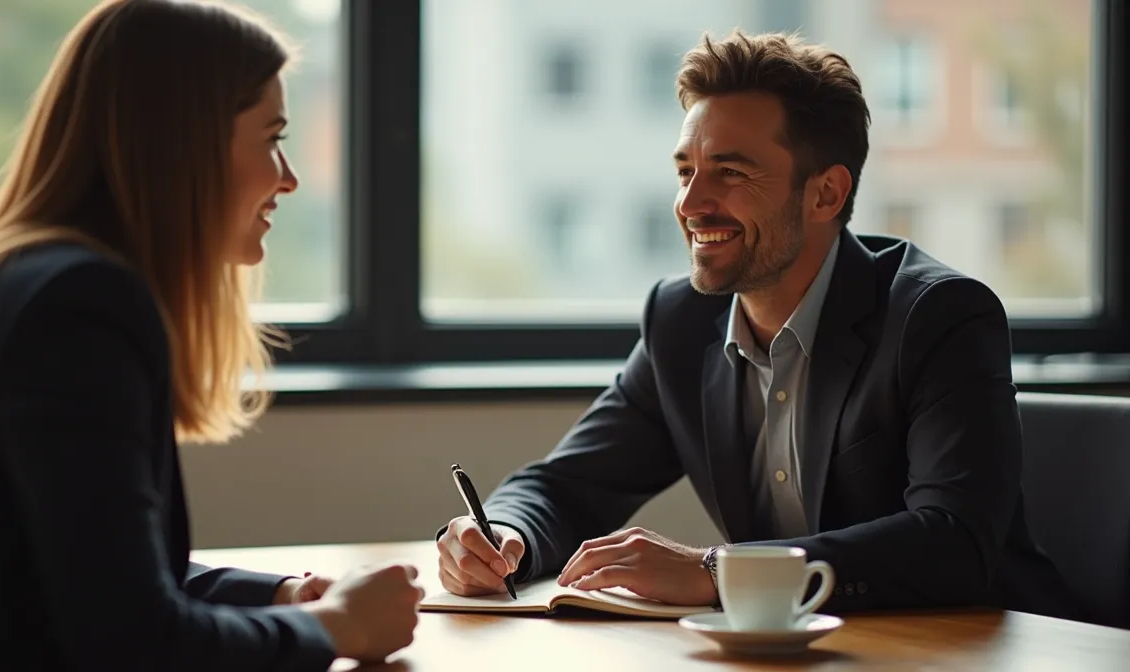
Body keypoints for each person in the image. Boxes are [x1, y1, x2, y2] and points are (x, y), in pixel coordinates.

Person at [0, 1, 423, 669]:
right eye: (270, 137)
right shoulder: (78, 308)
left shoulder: (46, 283)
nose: (288, 177)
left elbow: (100, 570)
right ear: (184, 144)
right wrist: (335, 628)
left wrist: (285, 596)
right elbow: (136, 640)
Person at [436, 30, 1080, 621]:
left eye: (731, 172)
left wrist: (720, 571)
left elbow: (953, 542)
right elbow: (567, 485)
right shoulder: (681, 322)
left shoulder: (937, 315)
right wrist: (503, 536)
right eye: (686, 170)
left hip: (981, 649)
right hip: (795, 651)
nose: (689, 205)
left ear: (825, 193)